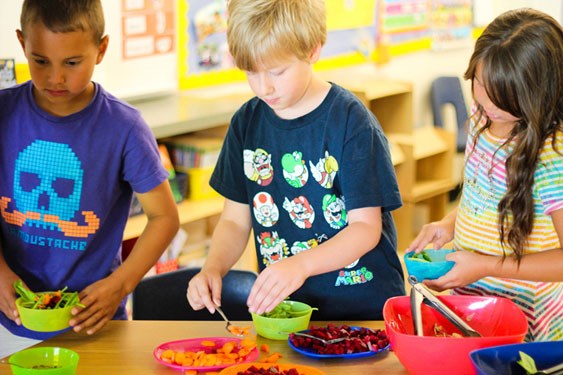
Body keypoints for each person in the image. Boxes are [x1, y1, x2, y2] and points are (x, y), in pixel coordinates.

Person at [186, 0, 405, 321]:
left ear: (313, 50)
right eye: (251, 72)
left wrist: (301, 264)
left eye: (277, 71)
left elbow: (365, 229)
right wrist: (213, 267)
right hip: (290, 309)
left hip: (362, 304)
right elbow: (234, 220)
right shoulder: (246, 123)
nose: (264, 87)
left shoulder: (350, 120)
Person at [0, 0, 180, 339]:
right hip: (9, 323)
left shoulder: (124, 127)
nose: (55, 77)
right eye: (40, 61)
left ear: (101, 49)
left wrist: (119, 285)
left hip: (95, 321)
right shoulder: (3, 113)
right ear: (23, 44)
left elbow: (165, 217)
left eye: (72, 62)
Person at [407, 8, 563, 341]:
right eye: (480, 83)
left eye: (503, 96)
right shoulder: (483, 121)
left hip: (526, 319)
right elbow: (484, 198)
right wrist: (448, 225)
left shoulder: (552, 157)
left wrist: (486, 264)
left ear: (539, 92)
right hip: (473, 299)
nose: (487, 103)